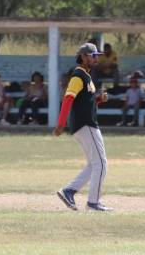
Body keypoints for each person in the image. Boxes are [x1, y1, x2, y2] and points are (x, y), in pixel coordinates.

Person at [54, 42, 112, 212]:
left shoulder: (86, 76)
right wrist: (60, 124)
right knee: (101, 164)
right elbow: (68, 99)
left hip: (85, 123)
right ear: (84, 56)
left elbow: (86, 103)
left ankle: (69, 191)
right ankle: (93, 203)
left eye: (96, 56)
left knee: (93, 164)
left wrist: (99, 99)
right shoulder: (78, 76)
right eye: (93, 55)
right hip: (86, 124)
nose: (96, 58)